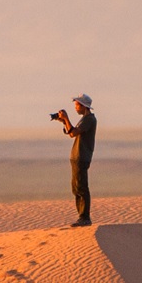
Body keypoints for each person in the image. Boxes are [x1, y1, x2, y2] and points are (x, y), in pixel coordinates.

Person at [53, 94, 96, 226]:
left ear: (83, 106)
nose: (76, 108)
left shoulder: (89, 119)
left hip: (81, 156)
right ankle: (81, 217)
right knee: (76, 187)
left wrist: (66, 118)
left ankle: (85, 217)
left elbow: (73, 133)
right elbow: (71, 132)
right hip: (76, 156)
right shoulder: (84, 119)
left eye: (77, 105)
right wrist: (63, 121)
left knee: (82, 187)